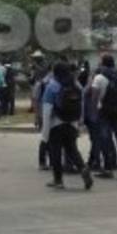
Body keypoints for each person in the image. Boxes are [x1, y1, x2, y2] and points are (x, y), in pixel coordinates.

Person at [42, 61, 94, 191]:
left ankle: (58, 180)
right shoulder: (75, 85)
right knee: (72, 150)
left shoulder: (52, 86)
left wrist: (45, 133)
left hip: (56, 124)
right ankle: (83, 169)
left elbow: (47, 109)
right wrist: (79, 122)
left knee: (55, 152)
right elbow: (80, 106)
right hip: (72, 123)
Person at [91, 54, 117, 179]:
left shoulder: (99, 77)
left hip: (105, 112)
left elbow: (94, 98)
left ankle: (108, 169)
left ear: (103, 63)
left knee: (105, 139)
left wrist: (93, 113)